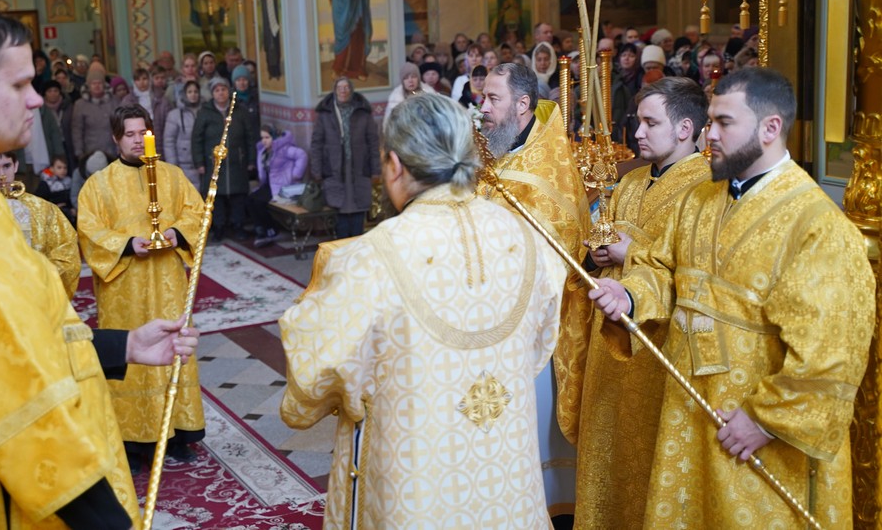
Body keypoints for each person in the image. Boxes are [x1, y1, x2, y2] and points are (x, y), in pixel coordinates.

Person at [0, 4, 200, 529]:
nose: (37, 98)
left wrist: (122, 346)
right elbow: (13, 403)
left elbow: (4, 341)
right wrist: (109, 524)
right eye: (21, 84)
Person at [588, 67, 874, 528]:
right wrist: (630, 294)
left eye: (724, 123)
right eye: (711, 122)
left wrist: (764, 420)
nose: (710, 135)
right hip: (688, 413)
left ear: (770, 128)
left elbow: (833, 350)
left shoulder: (816, 224)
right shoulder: (700, 199)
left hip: (754, 433)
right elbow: (664, 269)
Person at [280, 94, 567, 528]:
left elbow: (311, 381)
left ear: (395, 165)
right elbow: (541, 345)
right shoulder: (526, 239)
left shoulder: (369, 257)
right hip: (506, 474)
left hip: (413, 485)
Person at [563, 77, 710, 529]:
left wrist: (632, 252)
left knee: (648, 463)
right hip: (607, 344)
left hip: (655, 348)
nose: (639, 132)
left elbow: (699, 269)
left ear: (684, 128)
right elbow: (599, 237)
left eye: (650, 123)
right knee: (605, 455)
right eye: (638, 121)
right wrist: (597, 252)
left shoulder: (706, 188)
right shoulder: (629, 182)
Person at [476, 62, 590, 518]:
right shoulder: (495, 151)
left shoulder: (546, 167)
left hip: (534, 332)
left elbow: (554, 255)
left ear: (523, 104)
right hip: (486, 319)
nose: (483, 108)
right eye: (482, 97)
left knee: (532, 439)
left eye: (493, 98)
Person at [78, 104, 208, 474]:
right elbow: (89, 230)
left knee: (173, 348)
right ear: (116, 138)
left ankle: (178, 435)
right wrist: (126, 244)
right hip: (125, 289)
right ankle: (133, 443)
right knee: (131, 355)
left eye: (143, 133)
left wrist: (176, 233)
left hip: (167, 282)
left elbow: (197, 212)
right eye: (130, 134)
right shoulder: (98, 185)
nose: (138, 140)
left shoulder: (172, 176)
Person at [0, 150, 81, 299]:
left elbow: (67, 254)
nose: (2, 175)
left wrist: (39, 277)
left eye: (6, 166)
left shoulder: (44, 209)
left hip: (39, 293)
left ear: (15, 166)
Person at [310, 77, 380, 238]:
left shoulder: (363, 112)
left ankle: (356, 243)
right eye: (340, 87)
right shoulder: (325, 114)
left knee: (359, 207)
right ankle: (342, 245)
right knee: (339, 208)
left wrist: (376, 169)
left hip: (359, 167)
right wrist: (316, 170)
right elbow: (316, 144)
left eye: (346, 87)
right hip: (334, 167)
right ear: (335, 91)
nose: (343, 90)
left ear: (351, 90)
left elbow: (373, 141)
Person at [192, 78, 256, 241]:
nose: (221, 93)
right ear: (212, 94)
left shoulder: (240, 111)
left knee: (238, 196)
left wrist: (251, 160)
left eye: (223, 89)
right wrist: (199, 162)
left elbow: (250, 137)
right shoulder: (205, 113)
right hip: (213, 162)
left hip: (237, 161)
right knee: (216, 196)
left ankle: (238, 225)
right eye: (217, 90)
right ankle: (219, 227)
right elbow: (197, 139)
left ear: (229, 91)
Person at [248, 124, 308, 247]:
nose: (264, 141)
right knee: (250, 200)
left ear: (274, 138)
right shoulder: (263, 151)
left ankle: (271, 230)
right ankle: (260, 228)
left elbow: (302, 155)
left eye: (267, 137)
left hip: (283, 186)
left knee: (260, 202)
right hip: (269, 185)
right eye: (262, 138)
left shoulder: (284, 149)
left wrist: (296, 174)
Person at [164, 80, 204, 192]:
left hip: (202, 165)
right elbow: (169, 142)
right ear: (184, 94)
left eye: (195, 91)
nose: (193, 94)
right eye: (189, 92)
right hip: (183, 164)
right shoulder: (174, 115)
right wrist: (173, 166)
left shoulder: (205, 112)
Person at [35, 153, 77, 225]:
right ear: (51, 168)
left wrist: (73, 209)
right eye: (59, 167)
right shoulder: (45, 183)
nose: (63, 170)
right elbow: (39, 203)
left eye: (65, 168)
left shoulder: (69, 181)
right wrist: (54, 207)